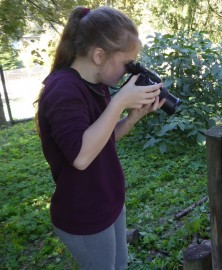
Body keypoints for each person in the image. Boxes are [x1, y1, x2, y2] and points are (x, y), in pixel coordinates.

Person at [35, 6, 165, 269]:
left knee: (120, 266)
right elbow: (81, 156)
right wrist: (119, 102)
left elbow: (104, 138)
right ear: (99, 55)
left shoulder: (98, 84)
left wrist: (132, 117)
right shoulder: (63, 89)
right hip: (84, 215)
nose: (130, 71)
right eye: (126, 63)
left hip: (108, 201)